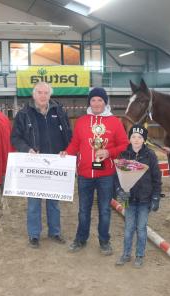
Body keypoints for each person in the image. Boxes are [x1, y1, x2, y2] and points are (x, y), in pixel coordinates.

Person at [61, 87, 128, 255]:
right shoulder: (82, 121)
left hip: (106, 175)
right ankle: (80, 239)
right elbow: (75, 144)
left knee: (105, 210)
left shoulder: (115, 122)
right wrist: (65, 152)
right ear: (89, 103)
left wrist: (109, 152)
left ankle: (104, 241)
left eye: (100, 100)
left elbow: (124, 144)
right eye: (93, 100)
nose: (97, 103)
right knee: (84, 209)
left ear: (105, 102)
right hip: (84, 175)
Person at [11, 82, 72, 248]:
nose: (43, 96)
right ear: (34, 94)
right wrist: (27, 149)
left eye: (46, 93)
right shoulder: (24, 114)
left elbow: (68, 134)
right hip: (35, 165)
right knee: (34, 203)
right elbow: (15, 138)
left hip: (55, 165)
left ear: (50, 95)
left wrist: (67, 150)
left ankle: (55, 232)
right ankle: (34, 235)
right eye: (40, 92)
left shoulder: (59, 112)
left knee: (54, 202)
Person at [115, 125, 162, 268]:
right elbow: (117, 176)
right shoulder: (123, 154)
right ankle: (126, 254)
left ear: (144, 140)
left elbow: (156, 178)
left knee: (141, 228)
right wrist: (118, 190)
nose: (136, 140)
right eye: (133, 137)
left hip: (144, 200)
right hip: (127, 198)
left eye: (140, 137)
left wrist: (155, 197)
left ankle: (139, 255)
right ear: (129, 139)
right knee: (129, 228)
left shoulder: (151, 155)